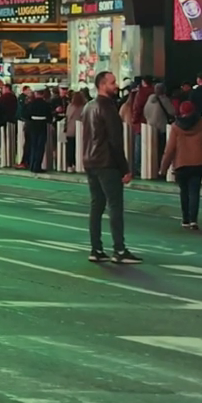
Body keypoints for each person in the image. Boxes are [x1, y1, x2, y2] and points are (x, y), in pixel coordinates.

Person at [83, 70, 140, 263]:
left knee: (96, 205)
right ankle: (119, 249)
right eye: (112, 82)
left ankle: (96, 248)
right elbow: (115, 141)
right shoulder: (108, 108)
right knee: (115, 206)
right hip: (106, 163)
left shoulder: (89, 106)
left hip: (91, 161)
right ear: (102, 85)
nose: (116, 86)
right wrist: (125, 169)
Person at [160, 99, 202, 230]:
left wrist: (163, 168)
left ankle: (185, 219)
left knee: (184, 192)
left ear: (181, 112)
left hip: (181, 164)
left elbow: (170, 150)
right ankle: (193, 220)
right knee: (194, 192)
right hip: (199, 163)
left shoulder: (176, 127)